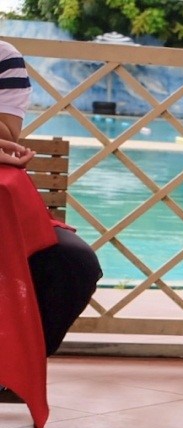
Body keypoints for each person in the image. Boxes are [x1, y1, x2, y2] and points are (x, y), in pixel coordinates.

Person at [0, 40, 102, 363]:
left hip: (5, 210)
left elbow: (6, 134)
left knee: (74, 263)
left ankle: (14, 371)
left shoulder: (4, 57)